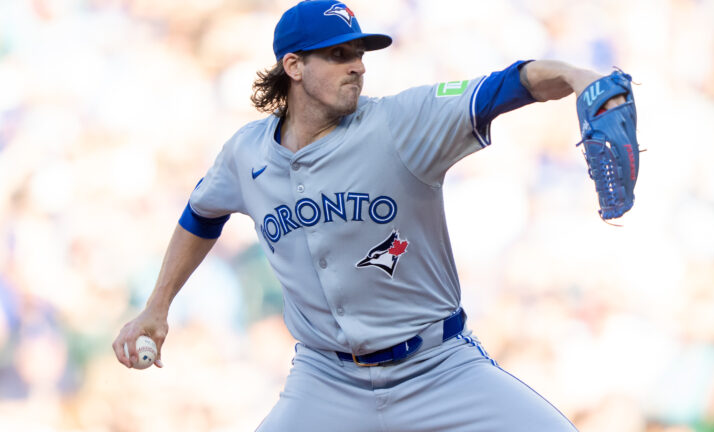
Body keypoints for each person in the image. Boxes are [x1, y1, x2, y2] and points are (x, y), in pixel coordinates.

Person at [113, 1, 627, 430]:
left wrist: (576, 76)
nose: (357, 65)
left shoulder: (402, 123)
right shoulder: (245, 155)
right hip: (325, 380)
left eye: (359, 53)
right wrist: (157, 306)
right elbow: (201, 214)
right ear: (293, 66)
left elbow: (509, 85)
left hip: (437, 368)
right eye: (339, 55)